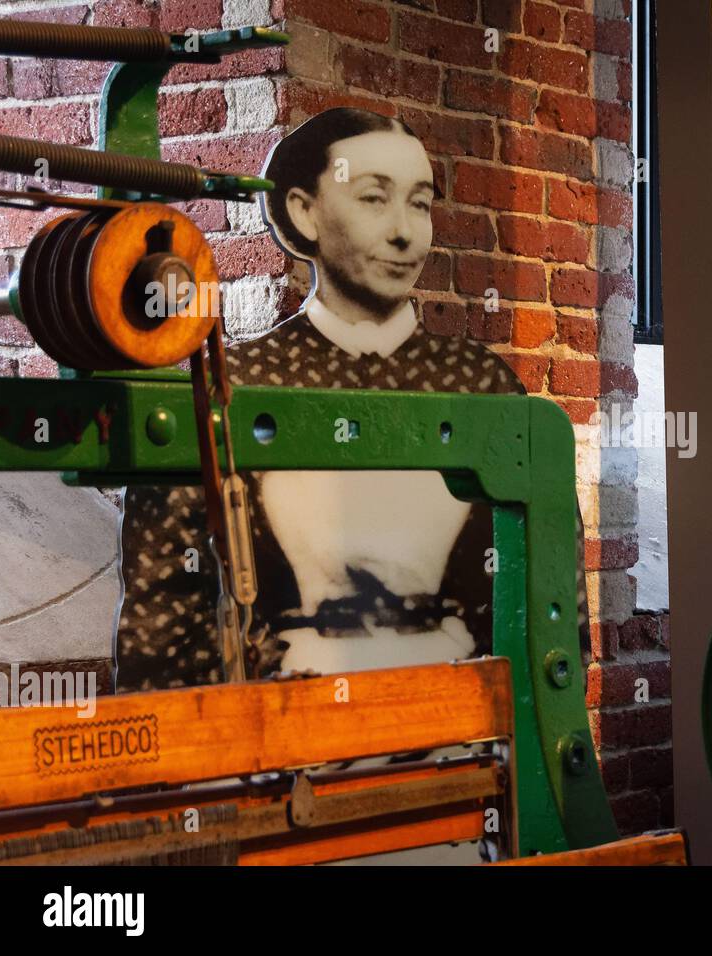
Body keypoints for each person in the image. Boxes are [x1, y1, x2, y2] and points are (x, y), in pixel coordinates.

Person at [116, 108, 588, 689]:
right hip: (282, 753)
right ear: (303, 211)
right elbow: (160, 633)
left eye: (419, 203)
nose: (404, 231)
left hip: (462, 742)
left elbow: (551, 599)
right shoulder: (236, 385)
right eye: (373, 198)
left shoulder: (481, 385)